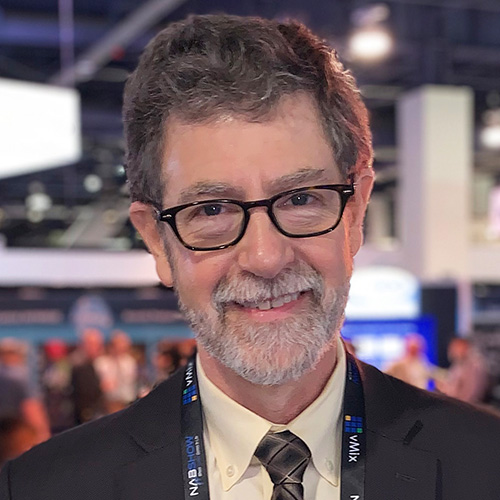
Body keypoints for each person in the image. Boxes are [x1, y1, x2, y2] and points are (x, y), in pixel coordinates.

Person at [1, 13, 500, 500]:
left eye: (300, 198)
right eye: (211, 209)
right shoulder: (43, 488)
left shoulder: (486, 463)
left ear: (354, 213)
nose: (265, 257)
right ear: (156, 240)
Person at [95, 330, 139, 413]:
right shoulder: (101, 362)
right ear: (112, 345)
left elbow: (132, 382)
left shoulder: (130, 362)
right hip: (108, 402)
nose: (121, 347)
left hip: (127, 401)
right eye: (119, 344)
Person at [69, 328, 106, 425]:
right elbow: (83, 391)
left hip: (100, 412)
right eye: (90, 344)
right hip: (84, 415)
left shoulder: (101, 363)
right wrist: (101, 387)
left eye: (96, 344)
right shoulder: (78, 365)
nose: (94, 348)